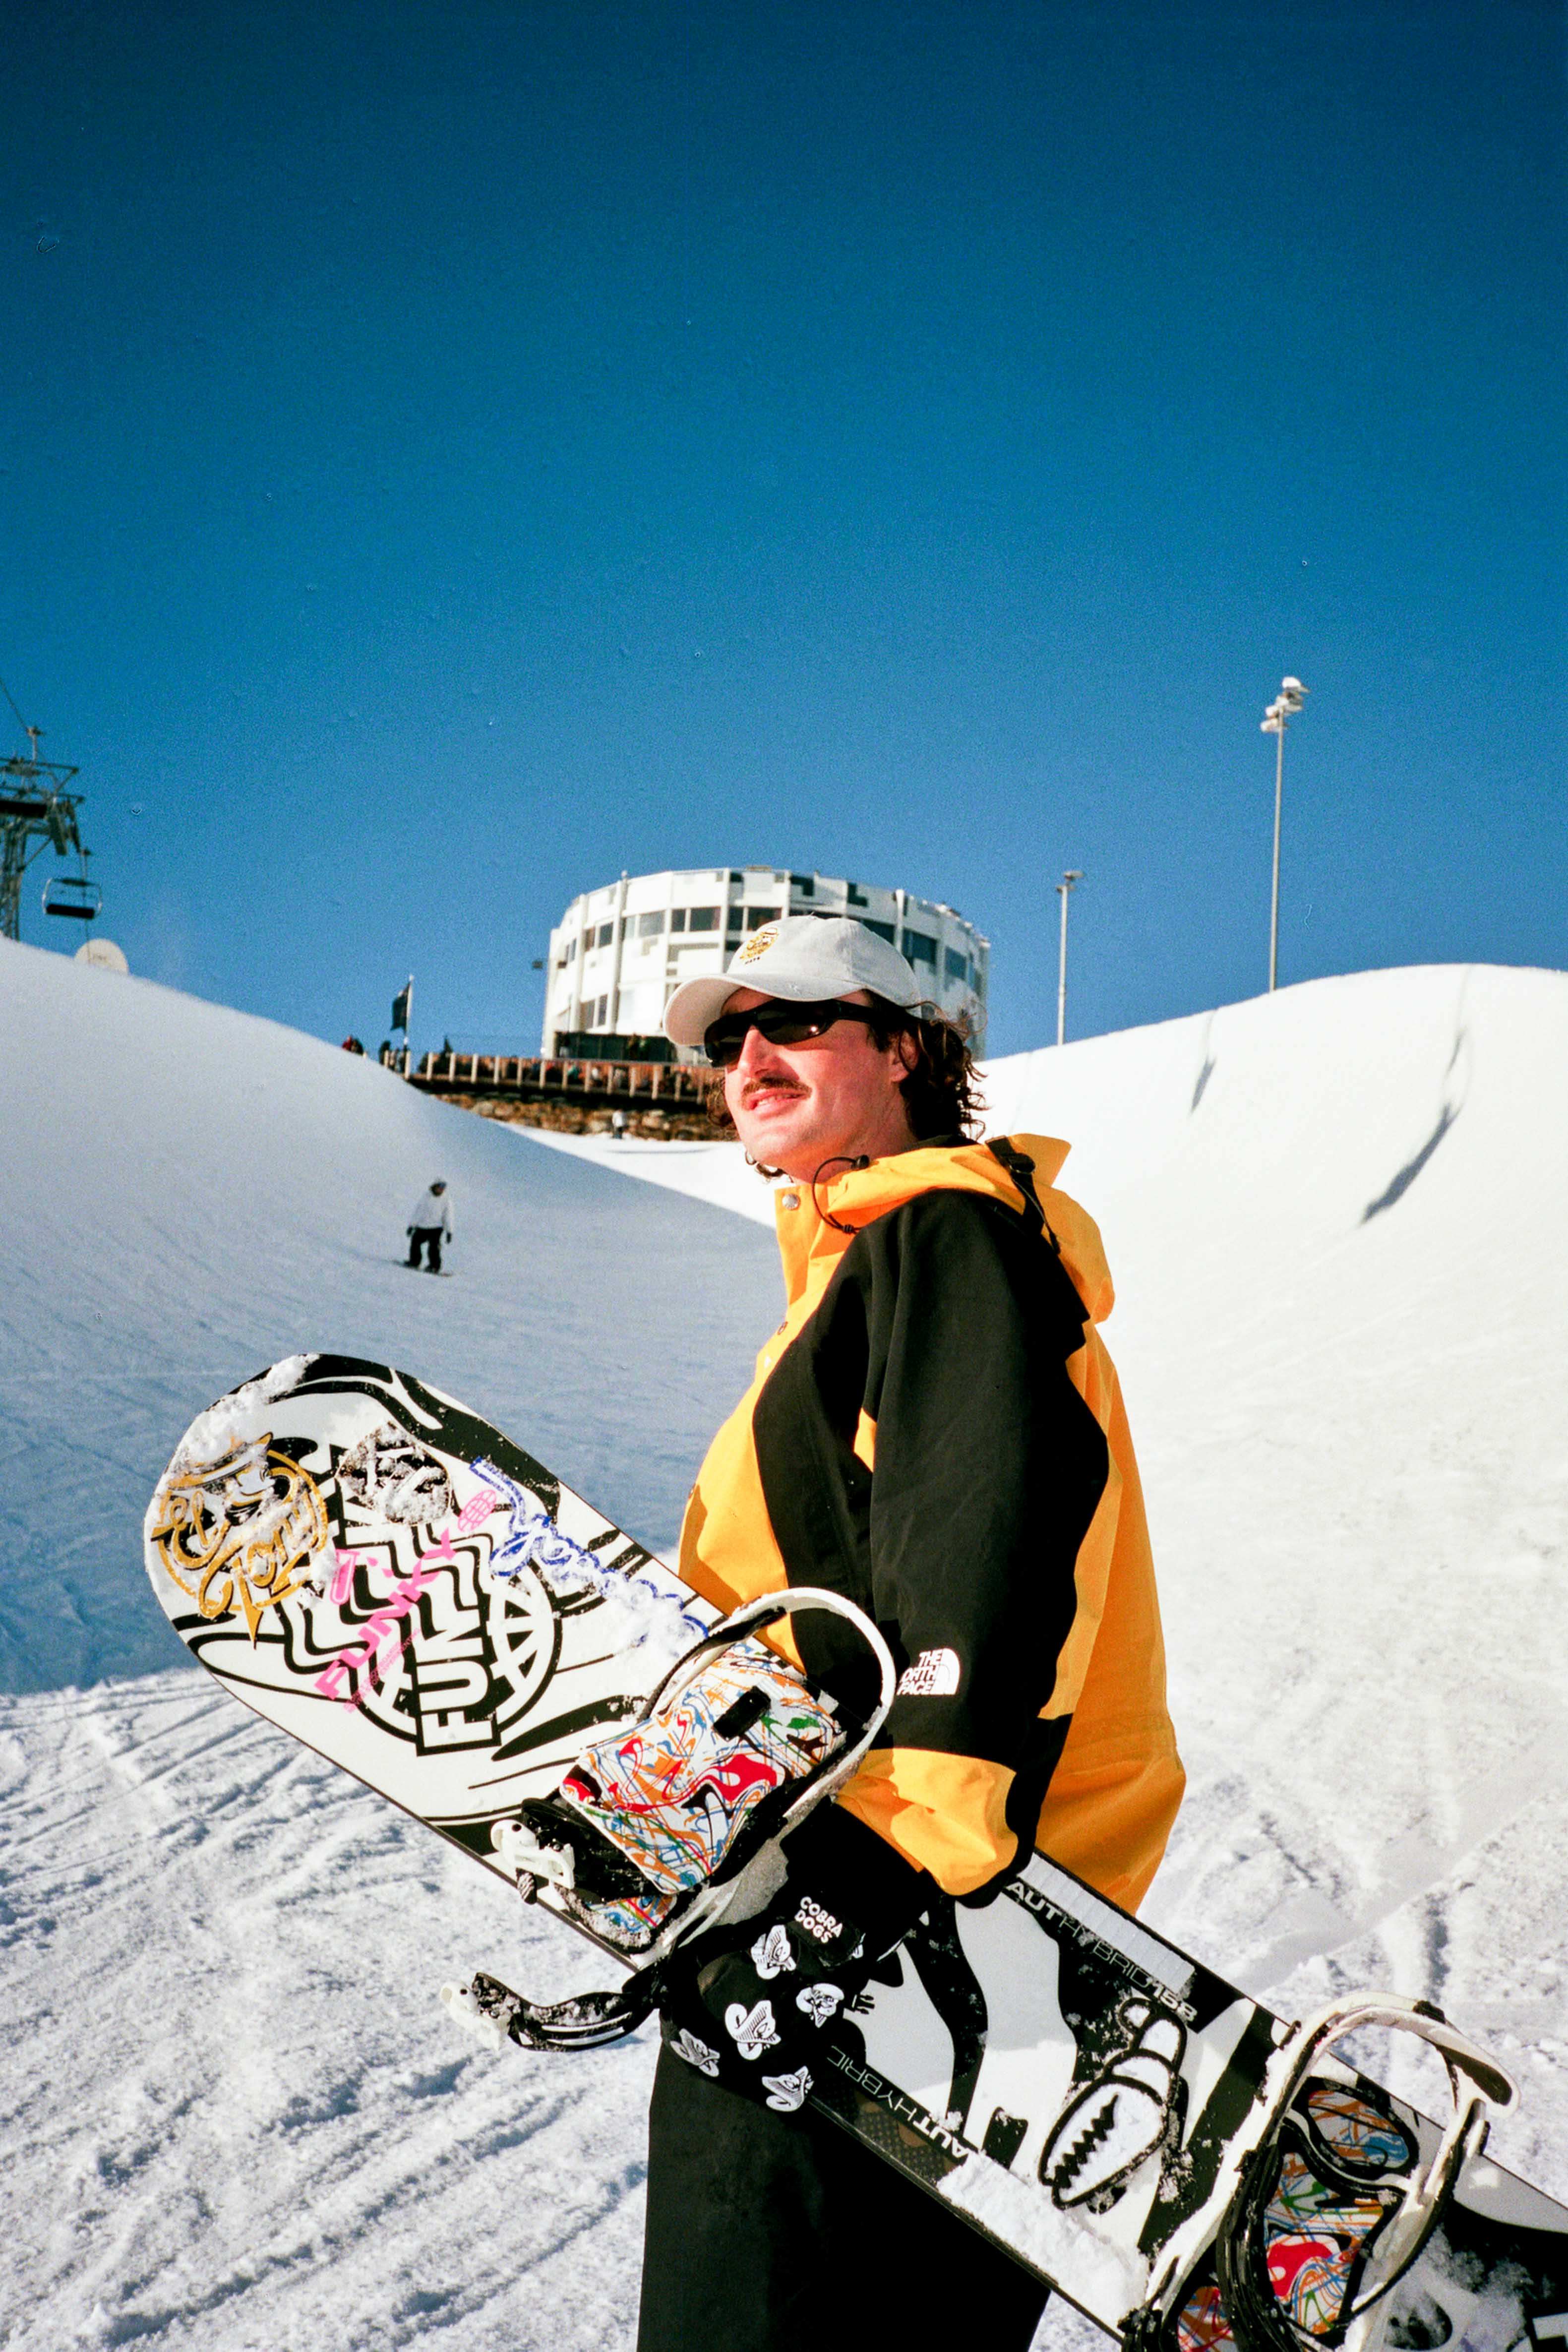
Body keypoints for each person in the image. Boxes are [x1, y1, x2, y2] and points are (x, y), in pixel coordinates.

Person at [633, 915, 1185, 2352]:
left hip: (900, 1930)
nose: (748, 1053)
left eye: (799, 1018)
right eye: (723, 1035)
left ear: (904, 1046)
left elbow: (983, 1549)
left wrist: (858, 1894)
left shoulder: (944, 1235)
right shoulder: (871, 1260)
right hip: (892, 1927)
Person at [406, 1179, 452, 1273]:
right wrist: (412, 1226)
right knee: (415, 1243)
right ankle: (415, 1262)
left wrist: (449, 1231)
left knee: (434, 1248)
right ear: (434, 1187)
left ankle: (435, 1266)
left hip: (436, 1228)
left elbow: (448, 1216)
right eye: (440, 1187)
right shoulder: (426, 1197)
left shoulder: (446, 1200)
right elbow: (419, 1212)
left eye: (443, 1188)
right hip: (423, 1226)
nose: (442, 1190)